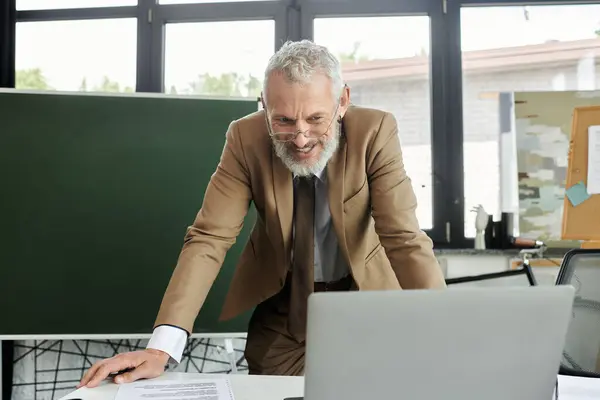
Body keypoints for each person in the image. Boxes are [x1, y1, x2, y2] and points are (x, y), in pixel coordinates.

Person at [78, 39, 446, 388]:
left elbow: (403, 237)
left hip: (366, 299)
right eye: (283, 121)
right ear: (264, 106)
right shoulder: (244, 137)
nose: (300, 138)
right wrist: (162, 347)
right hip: (286, 310)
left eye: (316, 119)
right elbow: (209, 238)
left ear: (342, 102)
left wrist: (446, 330)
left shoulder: (375, 131)